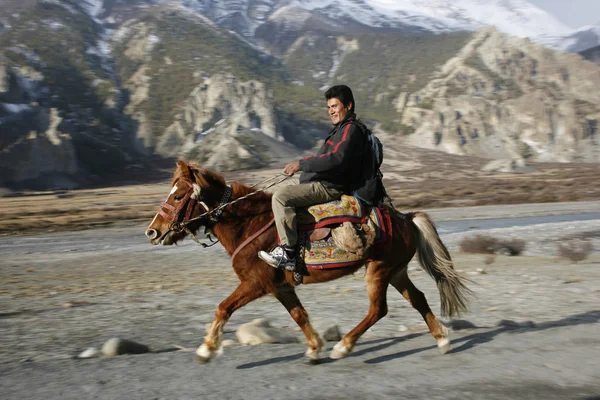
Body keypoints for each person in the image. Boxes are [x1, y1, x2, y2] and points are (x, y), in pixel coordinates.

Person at [258, 85, 370, 271]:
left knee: (281, 197)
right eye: (329, 108)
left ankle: (288, 252)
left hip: (330, 186)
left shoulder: (350, 130)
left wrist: (301, 165)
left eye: (335, 106)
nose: (331, 111)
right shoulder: (340, 129)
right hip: (323, 182)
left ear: (348, 105)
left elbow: (336, 158)